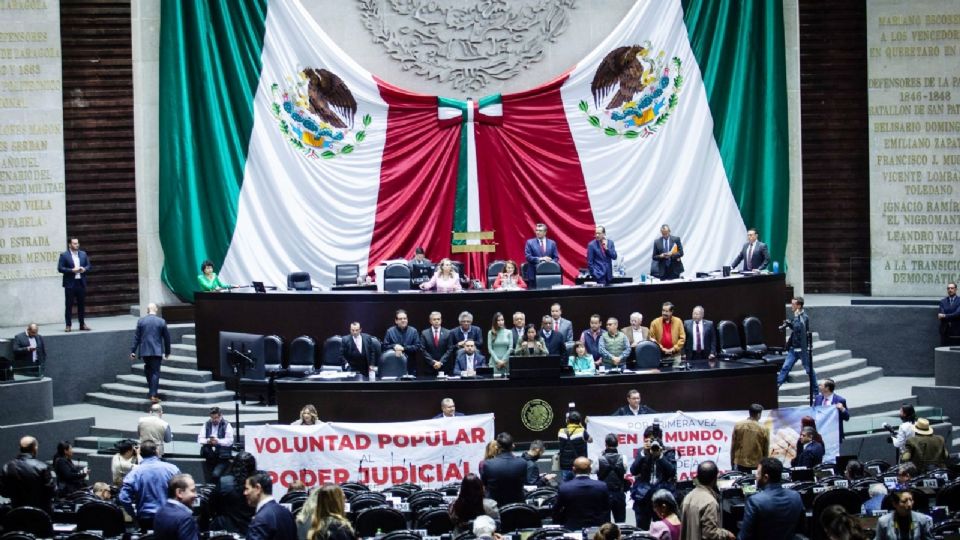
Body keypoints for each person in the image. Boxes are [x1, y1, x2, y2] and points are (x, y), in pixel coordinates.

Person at [120, 440, 182, 531]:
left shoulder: (134, 473)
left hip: (145, 519)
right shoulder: (172, 469)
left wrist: (133, 516)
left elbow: (123, 498)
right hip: (169, 517)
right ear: (156, 451)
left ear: (140, 454)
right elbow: (183, 491)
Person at [737, 457, 803, 540]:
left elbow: (744, 537)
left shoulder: (755, 501)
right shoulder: (796, 496)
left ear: (766, 477)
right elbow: (801, 528)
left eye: (758, 474)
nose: (756, 477)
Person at [629, 429, 675, 528]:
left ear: (661, 438)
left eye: (655, 438)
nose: (653, 441)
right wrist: (644, 453)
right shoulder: (641, 451)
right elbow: (633, 471)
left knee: (663, 528)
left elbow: (672, 472)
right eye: (650, 439)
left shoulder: (669, 451)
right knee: (641, 528)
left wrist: (660, 456)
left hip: (662, 497)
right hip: (643, 496)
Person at [680, 461, 735, 540]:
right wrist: (726, 534)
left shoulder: (688, 497)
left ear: (697, 477)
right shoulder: (710, 502)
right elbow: (709, 533)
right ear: (715, 479)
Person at [0, 436, 55, 512]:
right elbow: (52, 491)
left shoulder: (7, 467)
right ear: (35, 448)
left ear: (20, 448)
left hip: (16, 514)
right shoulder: (42, 467)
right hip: (39, 515)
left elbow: (4, 493)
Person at [131, 302, 172, 403]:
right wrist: (167, 352)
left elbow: (137, 337)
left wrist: (133, 351)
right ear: (156, 310)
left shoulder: (141, 321)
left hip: (145, 351)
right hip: (156, 351)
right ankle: (153, 394)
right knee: (155, 372)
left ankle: (151, 391)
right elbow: (167, 338)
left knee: (148, 370)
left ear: (147, 310)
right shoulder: (161, 321)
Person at [554, 457, 610, 530]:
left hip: (571, 528)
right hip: (596, 528)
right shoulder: (602, 486)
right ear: (590, 470)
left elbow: (557, 510)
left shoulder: (564, 487)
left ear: (573, 470)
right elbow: (606, 509)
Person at [776, 296, 816, 397]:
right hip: (794, 348)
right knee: (785, 367)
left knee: (809, 370)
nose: (791, 306)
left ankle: (815, 392)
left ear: (799, 305)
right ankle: (776, 386)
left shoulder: (804, 317)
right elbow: (795, 329)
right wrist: (789, 324)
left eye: (793, 304)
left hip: (802, 349)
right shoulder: (797, 315)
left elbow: (798, 327)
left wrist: (792, 322)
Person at [211, 452, 257, 535]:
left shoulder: (224, 482)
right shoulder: (257, 485)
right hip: (251, 529)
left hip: (226, 530)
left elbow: (212, 506)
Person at [244, 472, 298, 540]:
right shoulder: (287, 513)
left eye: (247, 489)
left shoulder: (260, 519)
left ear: (258, 488)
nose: (245, 493)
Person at [481, 432, 527, 505]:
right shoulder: (523, 463)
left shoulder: (487, 464)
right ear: (512, 446)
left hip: (495, 507)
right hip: (518, 507)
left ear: (496, 447)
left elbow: (485, 485)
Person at [58, 237, 92, 332]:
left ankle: (82, 324)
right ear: (70, 245)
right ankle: (68, 325)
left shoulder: (83, 254)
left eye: (77, 243)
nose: (76, 245)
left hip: (80, 282)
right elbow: (60, 268)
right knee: (69, 305)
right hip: (70, 284)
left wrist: (84, 269)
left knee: (81, 305)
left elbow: (89, 266)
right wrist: (72, 270)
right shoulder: (64, 255)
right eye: (74, 243)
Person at [153, 473, 200, 540]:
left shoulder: (160, 512)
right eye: (192, 490)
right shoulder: (185, 519)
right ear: (179, 493)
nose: (196, 495)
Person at [198, 406, 234, 482]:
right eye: (212, 418)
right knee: (209, 476)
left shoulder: (227, 425)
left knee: (215, 474)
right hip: (210, 456)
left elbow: (230, 441)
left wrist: (218, 441)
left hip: (222, 456)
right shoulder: (207, 424)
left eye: (216, 418)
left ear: (221, 416)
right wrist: (208, 441)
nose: (214, 420)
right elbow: (200, 439)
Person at [597, 434, 628, 523]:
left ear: (605, 444)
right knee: (621, 522)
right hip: (619, 493)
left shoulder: (600, 458)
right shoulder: (623, 458)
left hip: (604, 493)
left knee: (605, 523)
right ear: (617, 444)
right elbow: (625, 470)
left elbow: (593, 470)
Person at [731, 404, 768, 473]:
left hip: (740, 462)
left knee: (740, 482)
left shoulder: (738, 425)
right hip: (756, 463)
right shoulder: (763, 429)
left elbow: (733, 446)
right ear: (759, 414)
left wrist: (732, 462)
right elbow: (765, 450)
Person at [383, 309, 420, 375]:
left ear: (407, 320)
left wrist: (403, 348)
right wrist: (394, 346)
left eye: (405, 318)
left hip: (410, 366)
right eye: (400, 319)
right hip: (393, 365)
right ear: (396, 321)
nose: (403, 320)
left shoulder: (413, 331)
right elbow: (384, 346)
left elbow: (417, 347)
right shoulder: (390, 331)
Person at [557, 411, 591, 483]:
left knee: (566, 484)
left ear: (568, 420)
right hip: (579, 465)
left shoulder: (561, 431)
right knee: (580, 485)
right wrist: (581, 426)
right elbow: (590, 440)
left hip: (565, 465)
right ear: (579, 421)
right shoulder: (582, 431)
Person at [420, 312, 452, 376]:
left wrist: (441, 362)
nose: (436, 321)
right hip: (429, 367)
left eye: (438, 319)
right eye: (434, 319)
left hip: (444, 367)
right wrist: (432, 362)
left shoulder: (448, 333)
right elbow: (422, 349)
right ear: (430, 321)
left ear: (441, 320)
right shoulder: (424, 333)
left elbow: (450, 349)